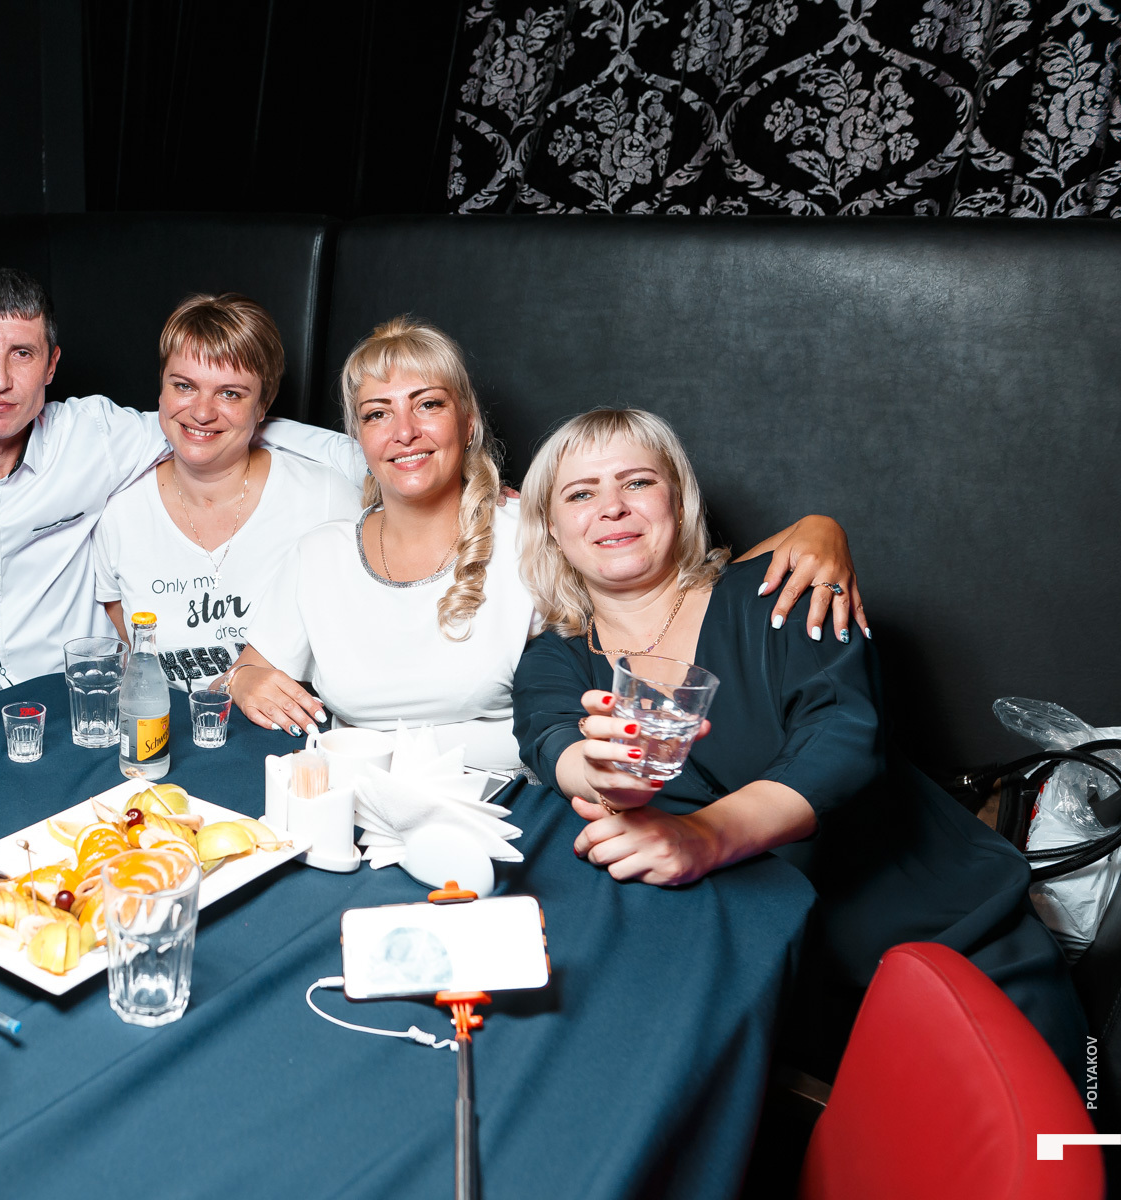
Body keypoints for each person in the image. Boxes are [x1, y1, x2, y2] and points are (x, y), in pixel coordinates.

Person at [510, 407, 1082, 1070]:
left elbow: (842, 741)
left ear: (679, 502)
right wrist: (609, 775)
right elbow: (553, 742)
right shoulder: (555, 659)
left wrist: (703, 836)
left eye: (637, 482)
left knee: (1047, 1125)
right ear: (551, 529)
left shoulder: (781, 594)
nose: (612, 506)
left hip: (945, 943)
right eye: (581, 494)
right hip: (776, 991)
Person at [228, 318, 864, 767]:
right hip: (357, 798)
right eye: (377, 413)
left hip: (517, 802)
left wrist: (816, 531)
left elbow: (670, 592)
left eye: (428, 404)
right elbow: (251, 668)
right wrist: (247, 681)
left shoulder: (531, 533)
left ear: (468, 423)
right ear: (359, 438)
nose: (404, 431)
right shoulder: (320, 553)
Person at [0, 267, 366, 714]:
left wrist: (379, 452)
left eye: (22, 354)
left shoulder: (96, 439)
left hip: (70, 710)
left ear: (51, 365)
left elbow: (202, 428)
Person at [91, 293, 361, 686]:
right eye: (184, 386)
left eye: (230, 393)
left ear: (263, 405)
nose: (202, 412)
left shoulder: (325, 498)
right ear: (161, 390)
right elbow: (138, 660)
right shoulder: (119, 515)